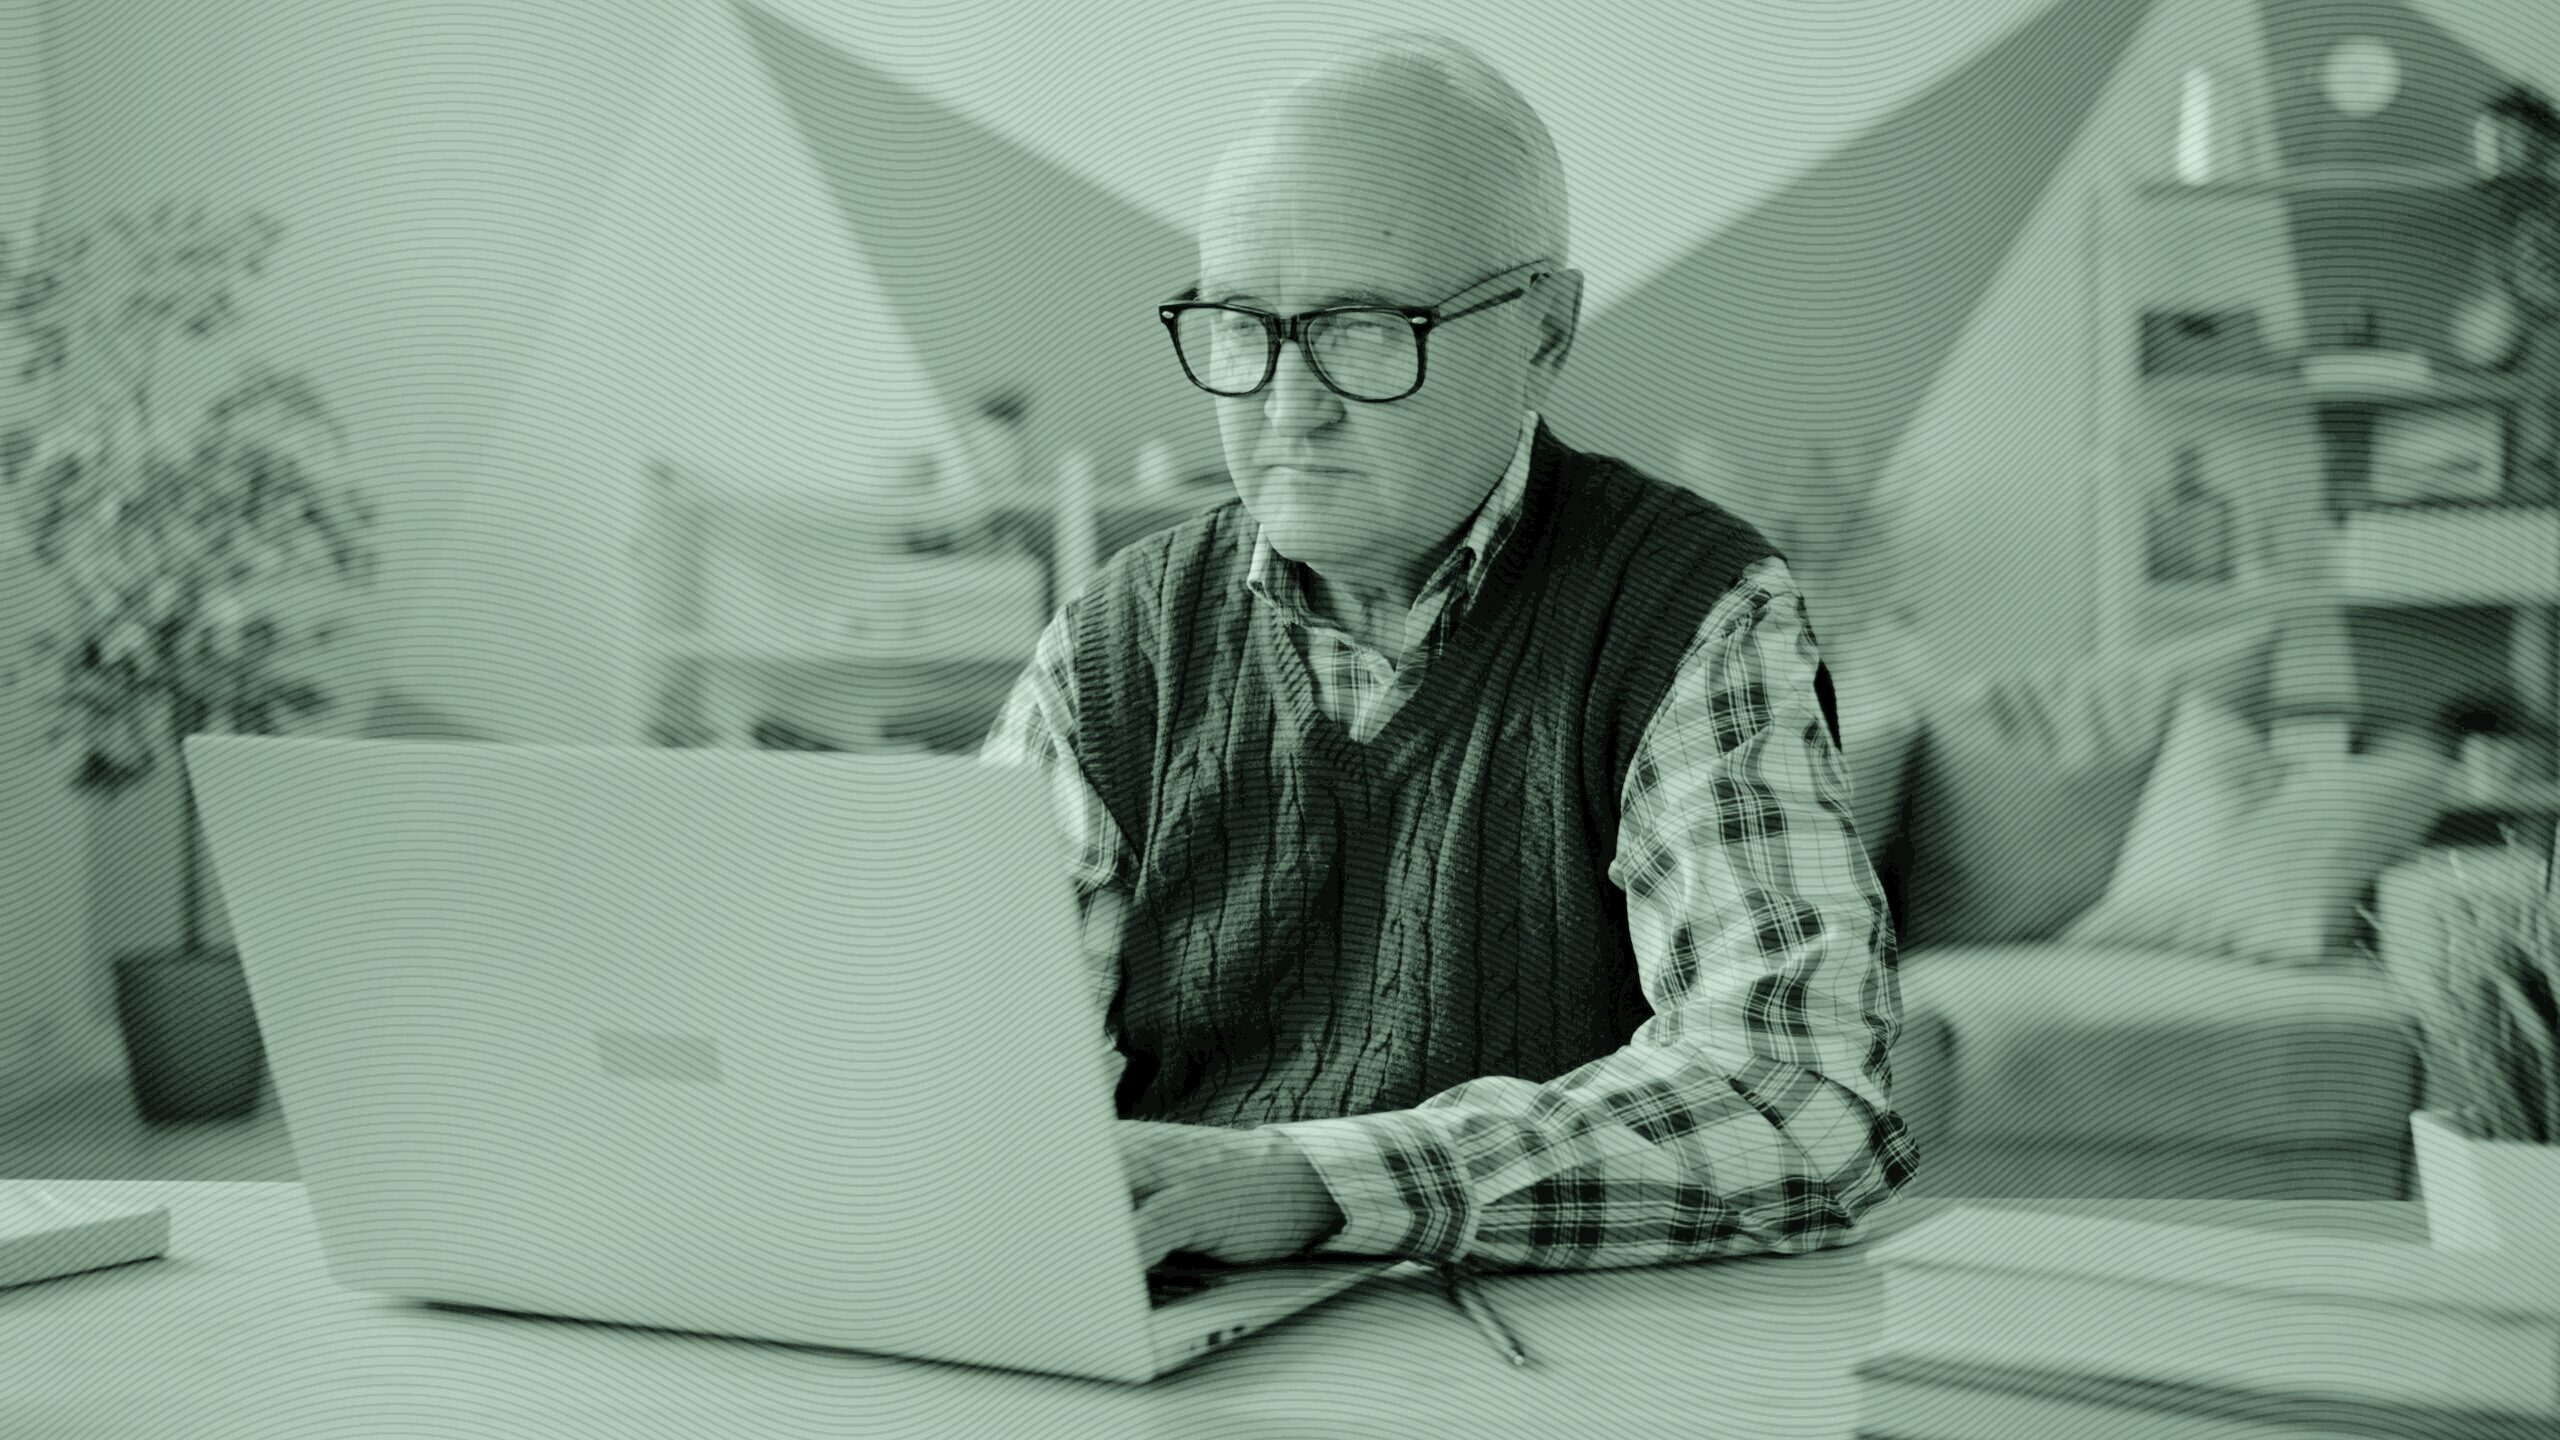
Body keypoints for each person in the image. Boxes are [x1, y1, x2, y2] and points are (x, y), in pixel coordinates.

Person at [980, 31, 1917, 1274]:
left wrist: (1314, 1182)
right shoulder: (1119, 639)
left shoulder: (1689, 608)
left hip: (1541, 1346)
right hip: (1169, 1325)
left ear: (1544, 329)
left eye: (1364, 329)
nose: (1283, 403)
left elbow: (1798, 1098)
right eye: (1238, 325)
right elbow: (958, 1068)